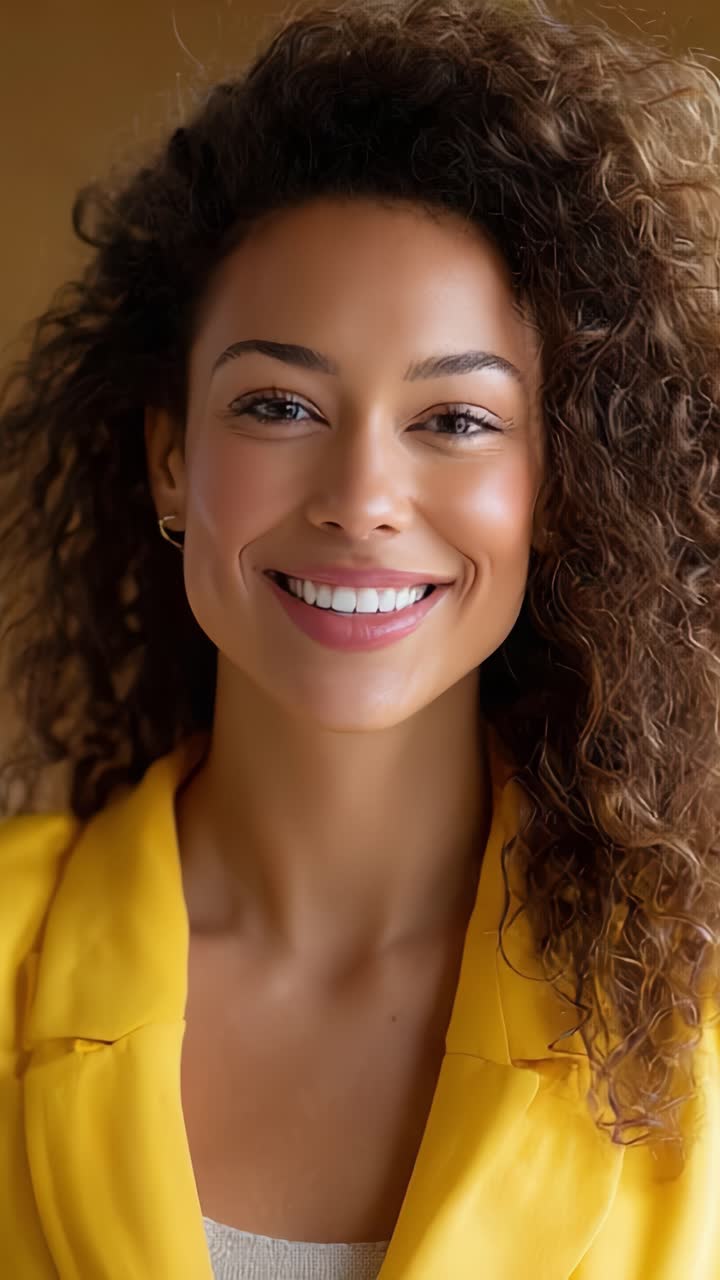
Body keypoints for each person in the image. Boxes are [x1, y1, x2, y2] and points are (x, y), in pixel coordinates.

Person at [1, 0, 718, 1275]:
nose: (361, 494)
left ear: (563, 484)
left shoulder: (696, 1018)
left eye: (454, 419)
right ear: (171, 458)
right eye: (278, 403)